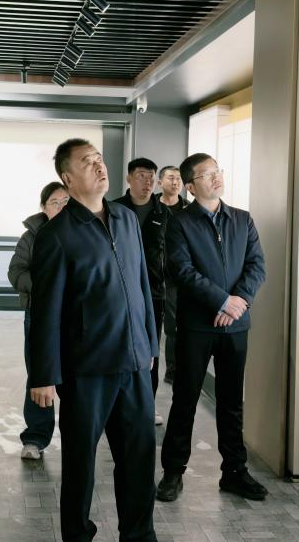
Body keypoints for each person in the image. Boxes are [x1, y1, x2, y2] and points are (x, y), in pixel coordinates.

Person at [29, 138, 158, 542]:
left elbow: (142, 285)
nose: (99, 166)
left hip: (134, 363)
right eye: (87, 162)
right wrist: (43, 375)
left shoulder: (126, 218)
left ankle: (139, 534)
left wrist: (150, 345)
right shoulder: (57, 234)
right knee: (81, 463)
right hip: (86, 369)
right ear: (67, 178)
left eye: (99, 159)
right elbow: (45, 311)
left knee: (139, 457)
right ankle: (77, 534)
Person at [156, 153, 267, 503]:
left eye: (217, 171)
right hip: (197, 326)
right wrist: (222, 301)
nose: (216, 177)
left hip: (236, 325)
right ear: (191, 187)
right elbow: (182, 271)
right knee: (185, 399)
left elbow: (256, 265)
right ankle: (173, 472)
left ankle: (234, 472)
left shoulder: (242, 219)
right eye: (207, 174)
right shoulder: (180, 223)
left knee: (232, 402)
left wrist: (238, 302)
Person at [7, 181, 69, 460]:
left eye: (66, 202)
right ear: (44, 207)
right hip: (40, 314)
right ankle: (35, 437)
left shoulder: (83, 232)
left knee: (75, 377)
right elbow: (16, 272)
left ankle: (77, 437)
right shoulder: (31, 236)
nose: (62, 207)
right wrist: (46, 287)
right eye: (55, 202)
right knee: (40, 374)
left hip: (75, 315)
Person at [112, 158, 171, 423]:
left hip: (153, 293)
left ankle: (147, 403)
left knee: (151, 350)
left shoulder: (164, 213)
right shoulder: (113, 209)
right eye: (141, 176)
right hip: (118, 292)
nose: (147, 182)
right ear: (129, 178)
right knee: (117, 345)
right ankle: (115, 403)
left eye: (151, 177)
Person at [155, 165, 190, 385]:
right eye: (170, 178)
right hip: (154, 274)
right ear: (160, 182)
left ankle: (173, 372)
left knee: (174, 326)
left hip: (179, 276)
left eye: (178, 178)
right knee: (153, 325)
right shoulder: (151, 207)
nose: (175, 182)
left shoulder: (189, 209)